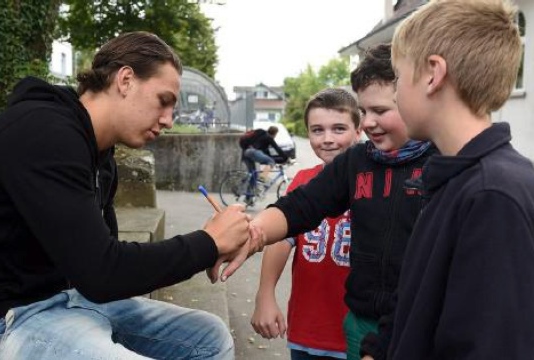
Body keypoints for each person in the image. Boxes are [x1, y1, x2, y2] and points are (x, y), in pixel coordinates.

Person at [0, 31, 254, 359]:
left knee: (209, 337)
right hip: (13, 316)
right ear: (126, 79)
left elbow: (109, 264)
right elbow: (103, 273)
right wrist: (209, 243)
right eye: (164, 101)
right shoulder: (43, 131)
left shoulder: (101, 156)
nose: (169, 121)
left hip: (74, 298)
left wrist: (214, 243)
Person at [212, 43, 437, 360]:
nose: (369, 122)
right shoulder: (356, 162)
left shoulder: (441, 165)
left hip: (417, 326)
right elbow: (300, 206)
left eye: (381, 111)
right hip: (361, 325)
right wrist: (253, 234)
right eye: (364, 111)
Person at [362, 1, 534, 359]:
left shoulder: (492, 196)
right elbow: (418, 302)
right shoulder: (454, 176)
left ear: (432, 74)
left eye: (397, 76)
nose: (394, 92)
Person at [251, 88, 362, 360]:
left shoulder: (375, 184)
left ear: (359, 131)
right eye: (317, 130)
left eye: (339, 129)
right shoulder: (302, 181)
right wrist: (265, 295)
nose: (327, 139)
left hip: (359, 338)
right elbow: (282, 240)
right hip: (306, 332)